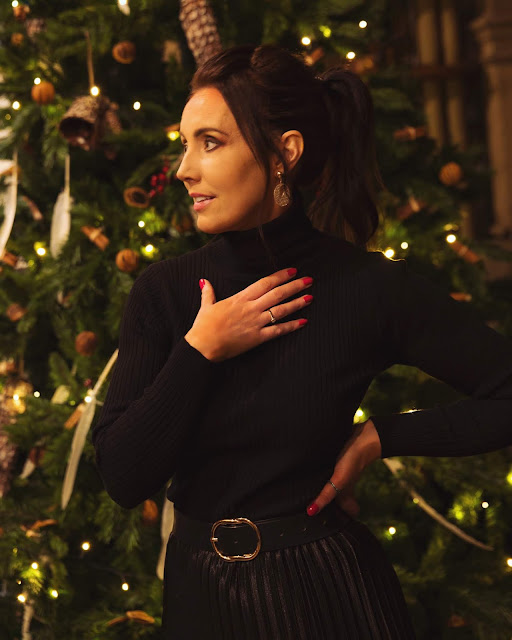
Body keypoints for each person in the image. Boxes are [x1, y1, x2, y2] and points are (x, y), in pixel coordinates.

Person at [92, 43, 512, 639]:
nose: (185, 168)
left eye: (210, 142)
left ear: (284, 152)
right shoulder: (164, 292)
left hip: (327, 595)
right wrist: (200, 352)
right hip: (197, 598)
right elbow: (122, 476)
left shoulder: (365, 287)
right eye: (184, 143)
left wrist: (382, 437)